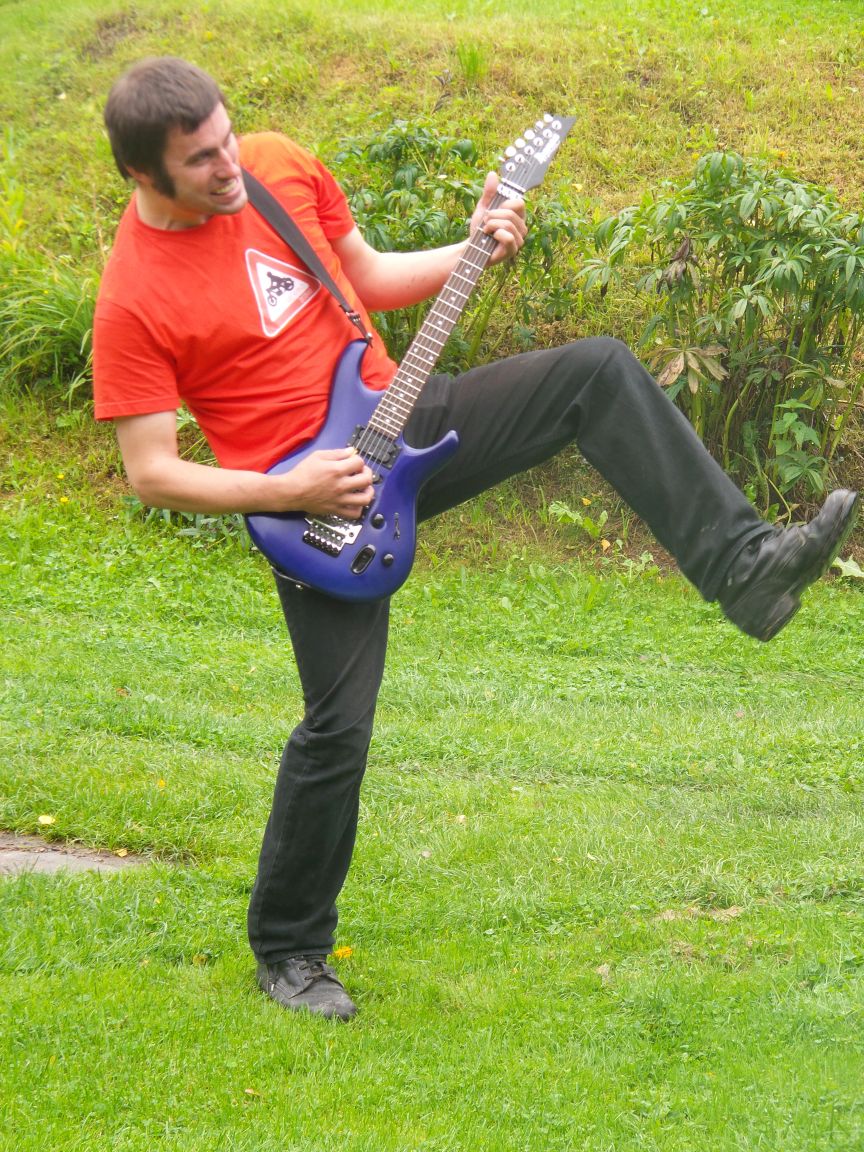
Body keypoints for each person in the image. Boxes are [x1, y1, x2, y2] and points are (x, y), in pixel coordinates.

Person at [93, 57, 858, 1021]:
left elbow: (367, 276)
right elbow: (152, 471)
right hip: (313, 506)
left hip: (400, 413)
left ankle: (744, 566)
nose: (228, 163)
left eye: (228, 137)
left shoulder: (276, 165)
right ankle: (289, 951)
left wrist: (469, 248)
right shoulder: (133, 297)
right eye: (201, 160)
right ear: (143, 174)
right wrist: (290, 488)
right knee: (338, 727)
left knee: (596, 372)